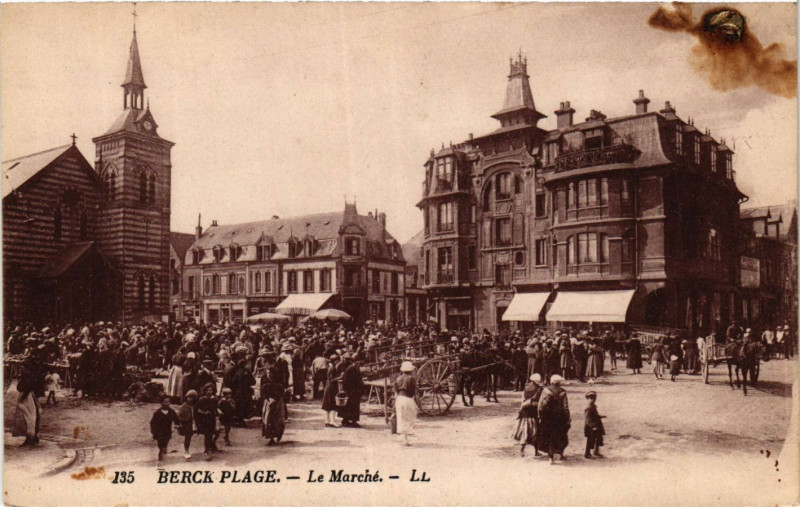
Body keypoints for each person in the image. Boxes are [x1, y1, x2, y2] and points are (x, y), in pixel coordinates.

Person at [537, 374, 570, 465]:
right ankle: (560, 455)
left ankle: (551, 458)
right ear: (558, 383)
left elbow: (540, 405)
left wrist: (540, 416)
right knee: (561, 435)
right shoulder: (563, 392)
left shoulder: (545, 391)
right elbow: (566, 407)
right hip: (560, 417)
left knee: (549, 437)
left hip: (548, 417)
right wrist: (567, 418)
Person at [13, 357, 44, 446]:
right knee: (31, 416)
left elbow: (26, 387)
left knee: (28, 417)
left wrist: (22, 397)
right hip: (29, 396)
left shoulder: (27, 375)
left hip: (27, 396)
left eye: (22, 366)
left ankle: (30, 437)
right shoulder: (30, 374)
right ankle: (32, 436)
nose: (21, 368)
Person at [513, 373, 543, 458]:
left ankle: (522, 449)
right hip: (534, 413)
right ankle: (536, 451)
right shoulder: (539, 389)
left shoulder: (526, 387)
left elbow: (522, 400)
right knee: (535, 433)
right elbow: (540, 402)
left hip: (525, 412)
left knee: (524, 432)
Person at [150, 396, 180, 468]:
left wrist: (177, 425)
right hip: (159, 433)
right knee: (161, 447)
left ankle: (161, 461)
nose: (168, 403)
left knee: (164, 447)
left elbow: (176, 419)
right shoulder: (157, 413)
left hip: (167, 432)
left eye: (169, 402)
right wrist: (154, 433)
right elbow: (152, 423)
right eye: (166, 402)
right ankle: (161, 460)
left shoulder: (171, 411)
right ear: (162, 403)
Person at [261, 366, 286, 446]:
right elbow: (263, 393)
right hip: (269, 403)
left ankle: (278, 435)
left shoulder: (279, 382)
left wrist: (276, 400)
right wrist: (268, 399)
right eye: (267, 373)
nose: (269, 375)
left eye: (270, 373)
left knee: (279, 420)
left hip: (278, 402)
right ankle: (271, 438)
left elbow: (282, 393)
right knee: (268, 420)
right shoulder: (265, 381)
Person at [395, 361, 418, 446]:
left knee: (401, 417)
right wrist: (418, 402)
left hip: (399, 398)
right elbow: (415, 391)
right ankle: (406, 439)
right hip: (408, 399)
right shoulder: (411, 379)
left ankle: (403, 438)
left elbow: (396, 390)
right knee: (409, 417)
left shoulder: (398, 378)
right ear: (411, 370)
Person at [338, 353, 364, 428]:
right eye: (359, 362)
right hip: (352, 390)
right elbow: (346, 380)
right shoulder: (351, 369)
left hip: (354, 390)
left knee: (351, 406)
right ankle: (351, 421)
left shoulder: (355, 368)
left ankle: (348, 420)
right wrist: (349, 390)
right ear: (355, 361)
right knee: (352, 406)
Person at [196, 383, 219, 460]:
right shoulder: (202, 399)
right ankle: (207, 450)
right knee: (207, 435)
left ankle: (210, 447)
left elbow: (216, 409)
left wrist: (217, 417)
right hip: (204, 419)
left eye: (211, 390)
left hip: (212, 419)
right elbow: (197, 409)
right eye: (207, 390)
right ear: (205, 391)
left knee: (213, 433)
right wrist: (204, 412)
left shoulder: (215, 399)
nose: (209, 392)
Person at [583, 391, 605, 459]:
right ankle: (587, 454)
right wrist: (593, 426)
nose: (593, 399)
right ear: (588, 399)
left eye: (594, 398)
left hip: (596, 425)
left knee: (598, 438)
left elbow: (594, 415)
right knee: (590, 440)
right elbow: (588, 418)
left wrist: (600, 416)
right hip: (591, 427)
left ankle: (596, 452)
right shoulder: (589, 407)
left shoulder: (592, 406)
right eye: (591, 398)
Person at [177, 390, 198, 461]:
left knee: (190, 436)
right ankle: (186, 450)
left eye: (191, 397)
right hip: (186, 424)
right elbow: (179, 416)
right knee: (187, 437)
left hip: (193, 423)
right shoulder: (183, 406)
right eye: (188, 397)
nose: (189, 399)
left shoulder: (195, 406)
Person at [321, 354, 341, 427]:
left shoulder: (330, 367)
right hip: (332, 387)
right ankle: (332, 421)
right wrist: (340, 377)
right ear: (334, 361)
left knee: (327, 405)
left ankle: (327, 420)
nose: (338, 362)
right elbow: (332, 379)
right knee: (333, 404)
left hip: (328, 386)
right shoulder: (333, 368)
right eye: (337, 360)